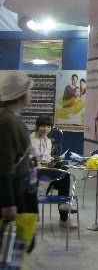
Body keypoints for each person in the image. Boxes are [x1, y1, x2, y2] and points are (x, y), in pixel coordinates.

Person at [0, 71, 38, 226]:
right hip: (16, 192)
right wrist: (8, 203)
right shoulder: (6, 122)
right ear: (20, 94)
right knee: (19, 236)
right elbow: (5, 165)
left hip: (21, 188)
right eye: (29, 90)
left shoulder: (10, 118)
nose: (31, 94)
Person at [30, 116, 76, 228]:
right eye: (43, 126)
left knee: (65, 176)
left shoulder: (48, 141)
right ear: (37, 126)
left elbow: (47, 158)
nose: (45, 129)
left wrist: (54, 163)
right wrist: (38, 163)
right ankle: (32, 212)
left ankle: (64, 215)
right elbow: (28, 158)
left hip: (46, 173)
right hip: (33, 175)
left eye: (48, 126)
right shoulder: (29, 140)